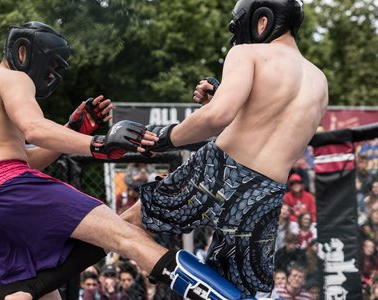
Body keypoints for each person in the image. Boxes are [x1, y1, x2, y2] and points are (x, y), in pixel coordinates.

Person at [0, 21, 241, 300]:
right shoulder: (12, 78)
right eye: (52, 65)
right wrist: (98, 144)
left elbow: (22, 160)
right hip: (11, 187)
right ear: (23, 52)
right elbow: (34, 129)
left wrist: (71, 133)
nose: (52, 75)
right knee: (127, 236)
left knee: (29, 291)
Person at [122, 0, 327, 297]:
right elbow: (272, 130)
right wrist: (219, 101)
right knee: (233, 290)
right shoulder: (319, 80)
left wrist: (167, 137)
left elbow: (219, 117)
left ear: (261, 22)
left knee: (127, 224)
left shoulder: (247, 52)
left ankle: (44, 278)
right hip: (264, 193)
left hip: (220, 170)